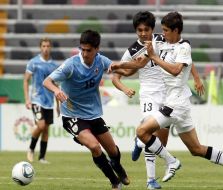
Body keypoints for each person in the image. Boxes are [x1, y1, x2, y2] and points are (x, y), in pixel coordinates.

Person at [140, 11, 223, 189]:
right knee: (196, 149)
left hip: (176, 104)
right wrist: (121, 66)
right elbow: (188, 63)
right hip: (177, 102)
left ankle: (172, 162)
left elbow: (176, 69)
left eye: (166, 30)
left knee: (142, 132)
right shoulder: (163, 42)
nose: (163, 33)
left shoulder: (184, 46)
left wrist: (154, 57)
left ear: (176, 30)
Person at [111, 11, 204, 189]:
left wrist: (197, 78)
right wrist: (124, 86)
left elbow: (184, 60)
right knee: (149, 134)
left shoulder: (162, 40)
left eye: (146, 29)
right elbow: (120, 75)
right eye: (139, 30)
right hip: (148, 94)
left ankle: (142, 145)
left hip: (167, 94)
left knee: (158, 143)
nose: (143, 33)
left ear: (152, 29)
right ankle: (150, 180)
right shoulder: (131, 50)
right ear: (135, 30)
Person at [43, 30, 131, 190]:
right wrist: (56, 91)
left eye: (88, 50)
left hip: (93, 114)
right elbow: (47, 81)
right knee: (95, 147)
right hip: (72, 115)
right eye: (81, 49)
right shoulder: (71, 64)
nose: (84, 53)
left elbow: (121, 70)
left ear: (97, 49)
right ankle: (114, 181)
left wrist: (135, 66)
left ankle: (117, 167)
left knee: (112, 150)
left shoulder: (101, 61)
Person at [23, 37, 59, 164]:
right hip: (36, 100)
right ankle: (31, 148)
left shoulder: (54, 65)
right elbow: (26, 80)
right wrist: (27, 99)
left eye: (48, 46)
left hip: (49, 102)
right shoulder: (33, 62)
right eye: (43, 46)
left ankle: (42, 157)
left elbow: (55, 85)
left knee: (46, 129)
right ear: (40, 47)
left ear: (51, 48)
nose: (46, 48)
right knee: (41, 125)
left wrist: (58, 104)